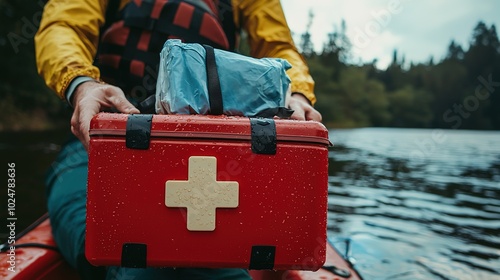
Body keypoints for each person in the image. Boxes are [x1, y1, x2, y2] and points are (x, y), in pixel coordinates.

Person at [35, 0, 322, 279]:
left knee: (156, 256)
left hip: (213, 148)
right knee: (115, 243)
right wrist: (81, 83)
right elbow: (64, 24)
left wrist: (295, 92)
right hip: (100, 143)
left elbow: (279, 47)